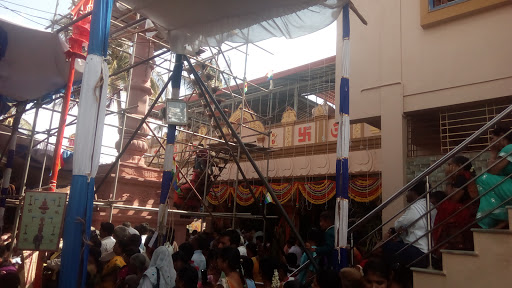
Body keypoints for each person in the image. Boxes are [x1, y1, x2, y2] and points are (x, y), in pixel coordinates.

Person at [383, 180, 435, 268]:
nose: (406, 194)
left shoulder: (415, 207)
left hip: (420, 250)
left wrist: (399, 230)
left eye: (408, 191)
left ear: (414, 193)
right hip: (430, 250)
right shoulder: (431, 206)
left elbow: (398, 225)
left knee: (387, 247)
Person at [433, 156, 478, 252]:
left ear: (460, 166)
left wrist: (449, 179)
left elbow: (453, 198)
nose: (447, 168)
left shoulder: (462, 177)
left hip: (463, 214)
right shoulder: (460, 177)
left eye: (450, 165)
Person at [476, 125, 512, 229]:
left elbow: (492, 171)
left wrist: (493, 153)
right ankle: (501, 217)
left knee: (482, 178)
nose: (491, 142)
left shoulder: (509, 147)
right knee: (486, 183)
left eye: (492, 138)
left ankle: (501, 217)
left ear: (501, 136)